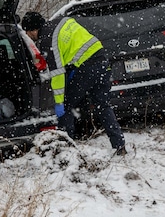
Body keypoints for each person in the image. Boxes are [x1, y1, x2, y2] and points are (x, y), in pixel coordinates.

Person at [30, 11, 127, 156]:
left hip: (87, 67)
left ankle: (66, 150)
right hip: (102, 61)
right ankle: (119, 145)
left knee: (67, 105)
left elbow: (57, 73)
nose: (29, 36)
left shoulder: (47, 40)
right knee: (102, 105)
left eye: (28, 32)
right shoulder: (62, 21)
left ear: (33, 29)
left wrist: (59, 102)